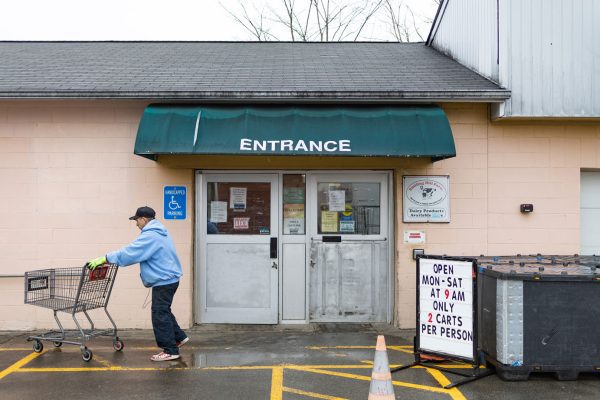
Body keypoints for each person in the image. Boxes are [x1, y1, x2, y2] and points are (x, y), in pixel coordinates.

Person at [87, 206, 188, 362]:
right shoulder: (160, 232)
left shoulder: (151, 236)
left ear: (144, 219)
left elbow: (130, 253)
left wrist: (105, 258)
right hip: (169, 278)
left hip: (164, 280)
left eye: (136, 220)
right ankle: (178, 337)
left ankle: (170, 350)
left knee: (159, 313)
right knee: (163, 311)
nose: (136, 224)